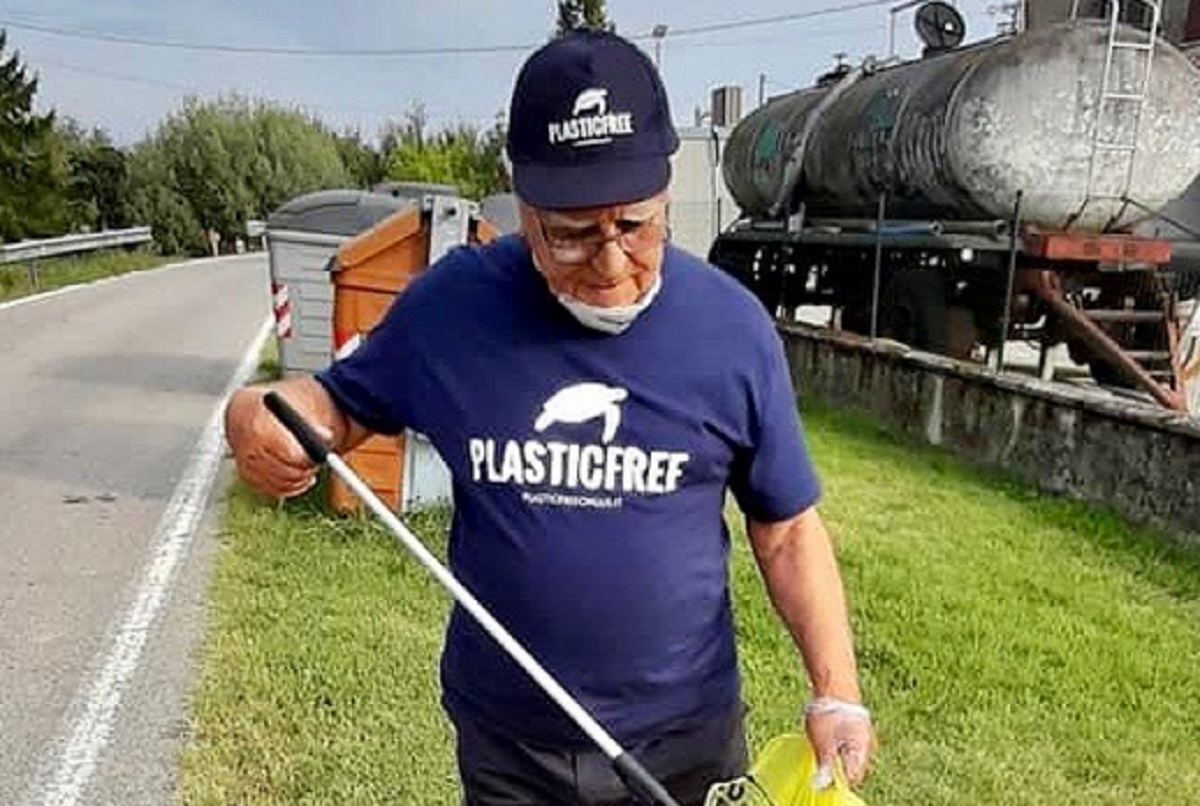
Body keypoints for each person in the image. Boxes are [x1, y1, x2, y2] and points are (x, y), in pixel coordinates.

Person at [225, 28, 874, 806]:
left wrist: (836, 691)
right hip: (511, 748)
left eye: (634, 226)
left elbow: (789, 528)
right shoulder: (453, 307)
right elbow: (337, 407)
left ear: (665, 192)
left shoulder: (730, 329)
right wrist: (260, 412)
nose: (608, 264)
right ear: (522, 205)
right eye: (570, 235)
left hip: (685, 742)